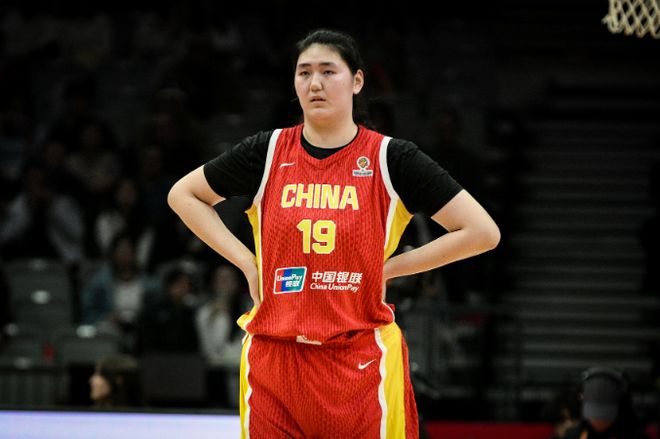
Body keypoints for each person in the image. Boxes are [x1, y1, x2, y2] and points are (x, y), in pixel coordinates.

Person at [168, 28, 500, 438]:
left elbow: (482, 231)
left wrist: (390, 268)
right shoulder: (267, 151)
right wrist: (247, 263)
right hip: (274, 360)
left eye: (328, 71)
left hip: (358, 361)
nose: (315, 83)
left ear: (357, 81)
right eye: (304, 72)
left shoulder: (391, 158)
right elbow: (183, 195)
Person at [563, 366, 650, 439]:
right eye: (593, 413)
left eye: (606, 415)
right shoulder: (573, 435)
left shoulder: (635, 435)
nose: (598, 420)